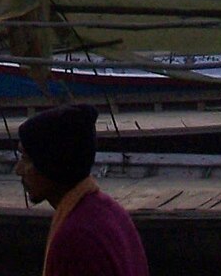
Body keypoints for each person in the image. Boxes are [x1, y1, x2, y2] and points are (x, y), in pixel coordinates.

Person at [15, 105, 149, 276]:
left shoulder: (75, 238)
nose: (18, 169)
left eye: (26, 159)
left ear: (52, 164)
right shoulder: (112, 212)